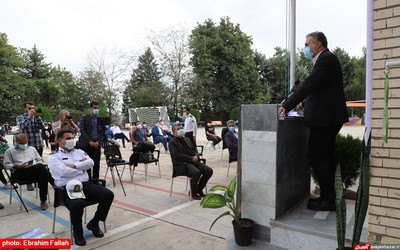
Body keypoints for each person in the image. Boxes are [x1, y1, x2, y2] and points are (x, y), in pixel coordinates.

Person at [278, 31, 349, 212]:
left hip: (326, 120)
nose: (305, 48)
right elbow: (320, 91)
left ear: (318, 44)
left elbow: (309, 84)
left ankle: (328, 200)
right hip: (327, 119)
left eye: (307, 45)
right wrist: (302, 103)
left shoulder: (326, 59)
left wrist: (287, 105)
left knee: (317, 157)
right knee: (326, 158)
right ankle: (329, 197)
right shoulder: (325, 59)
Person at [48, 130, 114, 246]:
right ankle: (78, 233)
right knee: (77, 204)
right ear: (59, 141)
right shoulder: (54, 156)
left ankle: (94, 223)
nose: (71, 140)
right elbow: (62, 171)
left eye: (72, 137)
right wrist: (81, 168)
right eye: (68, 138)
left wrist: (74, 166)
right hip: (69, 187)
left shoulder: (79, 152)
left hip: (85, 184)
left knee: (108, 195)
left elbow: (91, 163)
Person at [3, 133, 53, 210]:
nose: (23, 144)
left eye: (25, 142)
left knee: (43, 176)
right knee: (42, 169)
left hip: (33, 170)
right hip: (19, 172)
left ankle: (43, 201)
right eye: (21, 143)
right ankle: (54, 184)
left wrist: (34, 164)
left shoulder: (32, 149)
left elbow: (39, 160)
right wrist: (17, 166)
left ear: (27, 140)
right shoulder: (10, 151)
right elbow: (6, 164)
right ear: (16, 141)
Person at [168, 124, 213, 200]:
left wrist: (196, 156)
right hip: (181, 164)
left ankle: (198, 189)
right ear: (173, 132)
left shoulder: (187, 139)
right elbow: (177, 155)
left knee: (208, 171)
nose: (181, 130)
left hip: (193, 161)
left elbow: (194, 150)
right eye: (178, 129)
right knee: (196, 173)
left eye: (181, 128)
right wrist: (190, 158)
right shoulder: (172, 142)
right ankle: (193, 192)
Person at [16, 101, 45, 191]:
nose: (32, 110)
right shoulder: (20, 117)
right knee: (28, 164)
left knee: (38, 162)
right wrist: (29, 116)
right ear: (25, 108)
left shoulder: (36, 117)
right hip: (27, 145)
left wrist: (37, 116)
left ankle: (38, 180)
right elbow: (22, 127)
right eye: (29, 108)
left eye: (33, 108)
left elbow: (42, 127)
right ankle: (29, 182)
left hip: (37, 143)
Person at [76, 102, 102, 180]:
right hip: (86, 144)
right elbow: (82, 131)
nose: (96, 110)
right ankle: (88, 180)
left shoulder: (100, 119)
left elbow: (102, 132)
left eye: (97, 108)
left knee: (96, 163)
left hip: (97, 144)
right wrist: (90, 142)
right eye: (94, 108)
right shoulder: (84, 118)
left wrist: (98, 141)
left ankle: (96, 180)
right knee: (87, 163)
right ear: (90, 108)